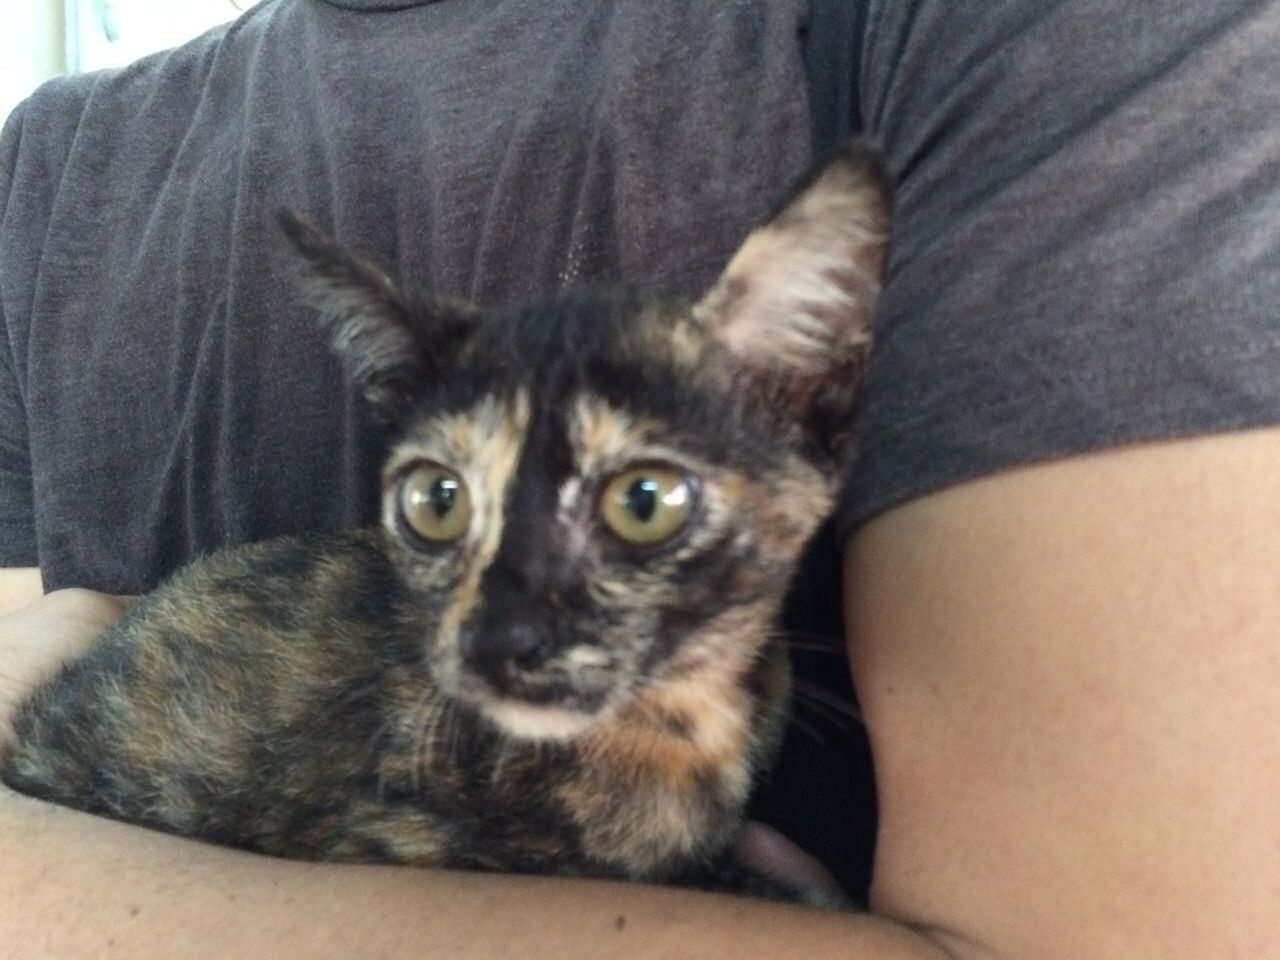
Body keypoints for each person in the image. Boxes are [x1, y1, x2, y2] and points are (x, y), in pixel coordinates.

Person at [3, 0, 1279, 957]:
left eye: (639, 504)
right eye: (439, 507)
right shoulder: (47, 168)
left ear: (803, 399)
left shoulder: (1021, 33)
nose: (504, 626)